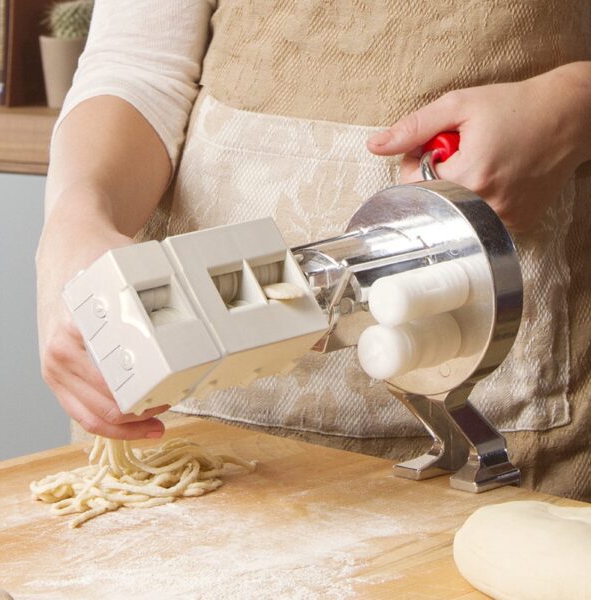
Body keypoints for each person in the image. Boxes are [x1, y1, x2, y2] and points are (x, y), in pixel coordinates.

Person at [36, 1, 591, 500]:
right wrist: (75, 219)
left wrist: (572, 107)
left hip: (503, 392)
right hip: (192, 400)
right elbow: (137, 64)